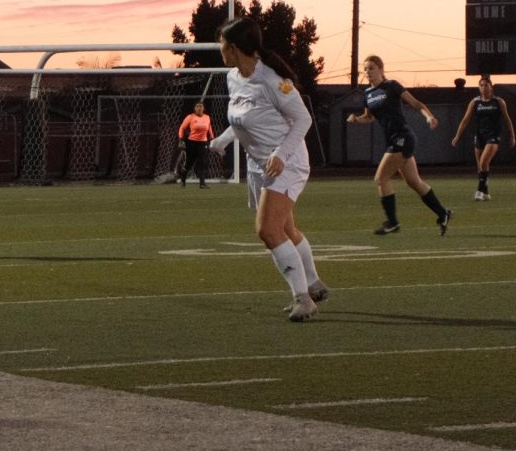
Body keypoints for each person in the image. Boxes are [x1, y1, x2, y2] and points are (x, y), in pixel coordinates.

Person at [208, 18, 327, 322]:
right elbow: (244, 121)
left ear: (233, 48)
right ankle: (312, 283)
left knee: (267, 230)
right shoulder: (233, 78)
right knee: (285, 229)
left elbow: (303, 120)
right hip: (259, 164)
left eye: (223, 44)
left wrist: (281, 154)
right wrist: (222, 140)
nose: (220, 49)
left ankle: (303, 299)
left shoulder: (273, 81)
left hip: (287, 163)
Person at [346, 55, 451, 235]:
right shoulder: (367, 94)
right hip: (393, 139)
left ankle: (393, 222)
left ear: (381, 69)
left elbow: (416, 103)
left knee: (381, 179)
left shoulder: (392, 86)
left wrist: (429, 116)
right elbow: (369, 117)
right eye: (365, 69)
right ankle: (443, 213)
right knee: (414, 182)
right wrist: (356, 119)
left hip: (402, 137)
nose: (367, 72)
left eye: (371, 68)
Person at [450, 77, 515, 201]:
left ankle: (479, 191)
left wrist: (512, 135)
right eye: (481, 86)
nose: (484, 88)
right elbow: (465, 120)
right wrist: (457, 136)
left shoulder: (498, 101)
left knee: (484, 162)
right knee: (480, 167)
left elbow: (507, 119)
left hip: (493, 136)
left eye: (486, 85)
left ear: (491, 87)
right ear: (479, 88)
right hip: (479, 136)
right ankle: (486, 193)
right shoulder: (475, 102)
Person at [176, 101, 216, 188]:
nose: (199, 108)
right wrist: (181, 140)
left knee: (202, 162)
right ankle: (183, 181)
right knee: (189, 164)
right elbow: (182, 128)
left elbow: (209, 128)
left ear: (203, 108)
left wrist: (212, 138)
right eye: (197, 106)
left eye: (201, 106)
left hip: (202, 143)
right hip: (192, 143)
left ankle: (202, 184)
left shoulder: (207, 117)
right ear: (195, 108)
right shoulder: (190, 117)